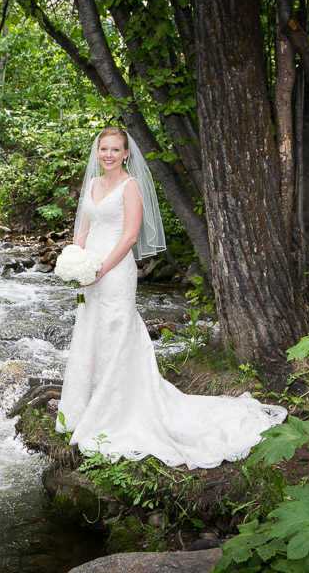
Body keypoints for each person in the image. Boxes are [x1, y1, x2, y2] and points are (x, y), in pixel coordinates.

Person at [55, 126, 287, 469]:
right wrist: (77, 263)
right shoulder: (92, 185)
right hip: (91, 272)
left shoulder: (130, 187)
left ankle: (114, 413)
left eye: (115, 149)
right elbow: (84, 229)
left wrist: (101, 268)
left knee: (116, 333)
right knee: (90, 330)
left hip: (115, 271)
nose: (108, 155)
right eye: (103, 149)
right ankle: (85, 406)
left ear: (125, 154)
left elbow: (131, 236)